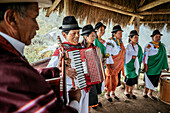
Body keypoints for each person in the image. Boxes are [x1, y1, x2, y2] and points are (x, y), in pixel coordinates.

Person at [0, 1, 81, 112]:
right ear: (11, 18)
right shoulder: (14, 70)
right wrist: (75, 101)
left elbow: (32, 73)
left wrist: (57, 70)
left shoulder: (8, 56)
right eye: (34, 18)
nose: (37, 27)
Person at [47, 16, 89, 113]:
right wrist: (63, 71)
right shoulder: (60, 51)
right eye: (73, 33)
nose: (77, 36)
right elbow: (50, 71)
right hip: (70, 90)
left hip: (84, 88)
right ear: (64, 35)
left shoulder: (81, 48)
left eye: (78, 33)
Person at [81, 24, 102, 110]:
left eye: (95, 36)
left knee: (91, 98)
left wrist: (101, 62)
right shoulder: (79, 48)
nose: (94, 38)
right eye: (92, 36)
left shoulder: (95, 48)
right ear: (86, 37)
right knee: (84, 99)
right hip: (83, 78)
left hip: (93, 77)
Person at [143, 30, 169, 100]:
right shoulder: (149, 45)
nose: (158, 38)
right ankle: (145, 92)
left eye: (159, 37)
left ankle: (150, 93)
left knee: (155, 80)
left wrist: (166, 65)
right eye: (156, 36)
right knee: (148, 79)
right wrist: (145, 65)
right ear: (152, 37)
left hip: (158, 66)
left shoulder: (162, 46)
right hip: (150, 66)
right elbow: (146, 56)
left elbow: (164, 56)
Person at [105, 25, 125, 102]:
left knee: (115, 80)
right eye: (119, 33)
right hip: (111, 64)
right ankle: (107, 94)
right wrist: (110, 63)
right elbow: (107, 53)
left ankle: (113, 93)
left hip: (117, 65)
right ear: (114, 34)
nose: (121, 34)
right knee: (109, 79)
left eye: (121, 33)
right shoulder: (110, 41)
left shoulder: (120, 42)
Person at [124, 30, 143, 99]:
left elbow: (141, 55)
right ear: (130, 38)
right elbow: (124, 55)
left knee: (134, 78)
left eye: (137, 37)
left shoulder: (139, 47)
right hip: (128, 64)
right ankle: (126, 91)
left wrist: (138, 60)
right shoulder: (127, 46)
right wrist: (131, 57)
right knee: (128, 78)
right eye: (135, 37)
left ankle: (131, 91)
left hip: (136, 64)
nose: (136, 39)